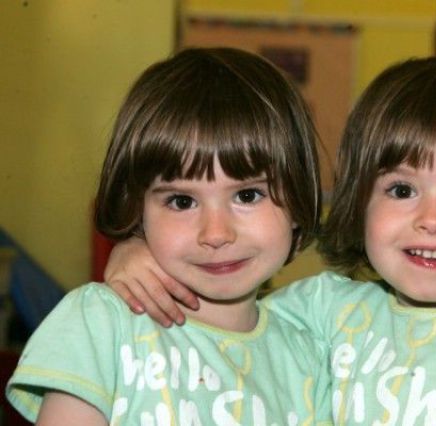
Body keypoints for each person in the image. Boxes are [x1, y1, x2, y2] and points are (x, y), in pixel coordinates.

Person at [102, 55, 436, 424]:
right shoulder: (324, 311)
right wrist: (137, 250)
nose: (433, 219)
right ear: (360, 203)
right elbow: (219, 310)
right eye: (402, 189)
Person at [5, 47, 332, 425]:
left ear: (298, 197)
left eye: (247, 195)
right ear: (137, 208)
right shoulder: (101, 324)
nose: (215, 233)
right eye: (182, 201)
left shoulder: (311, 352)